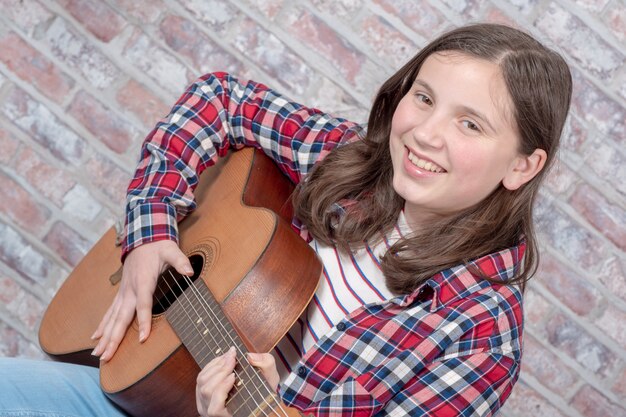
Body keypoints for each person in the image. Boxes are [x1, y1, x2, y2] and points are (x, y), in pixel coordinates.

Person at [0, 23, 571, 416]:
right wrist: (150, 229)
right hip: (154, 386)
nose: (426, 133)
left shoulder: (482, 338)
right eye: (424, 99)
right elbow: (220, 100)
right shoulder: (346, 159)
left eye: (470, 124)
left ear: (523, 164)